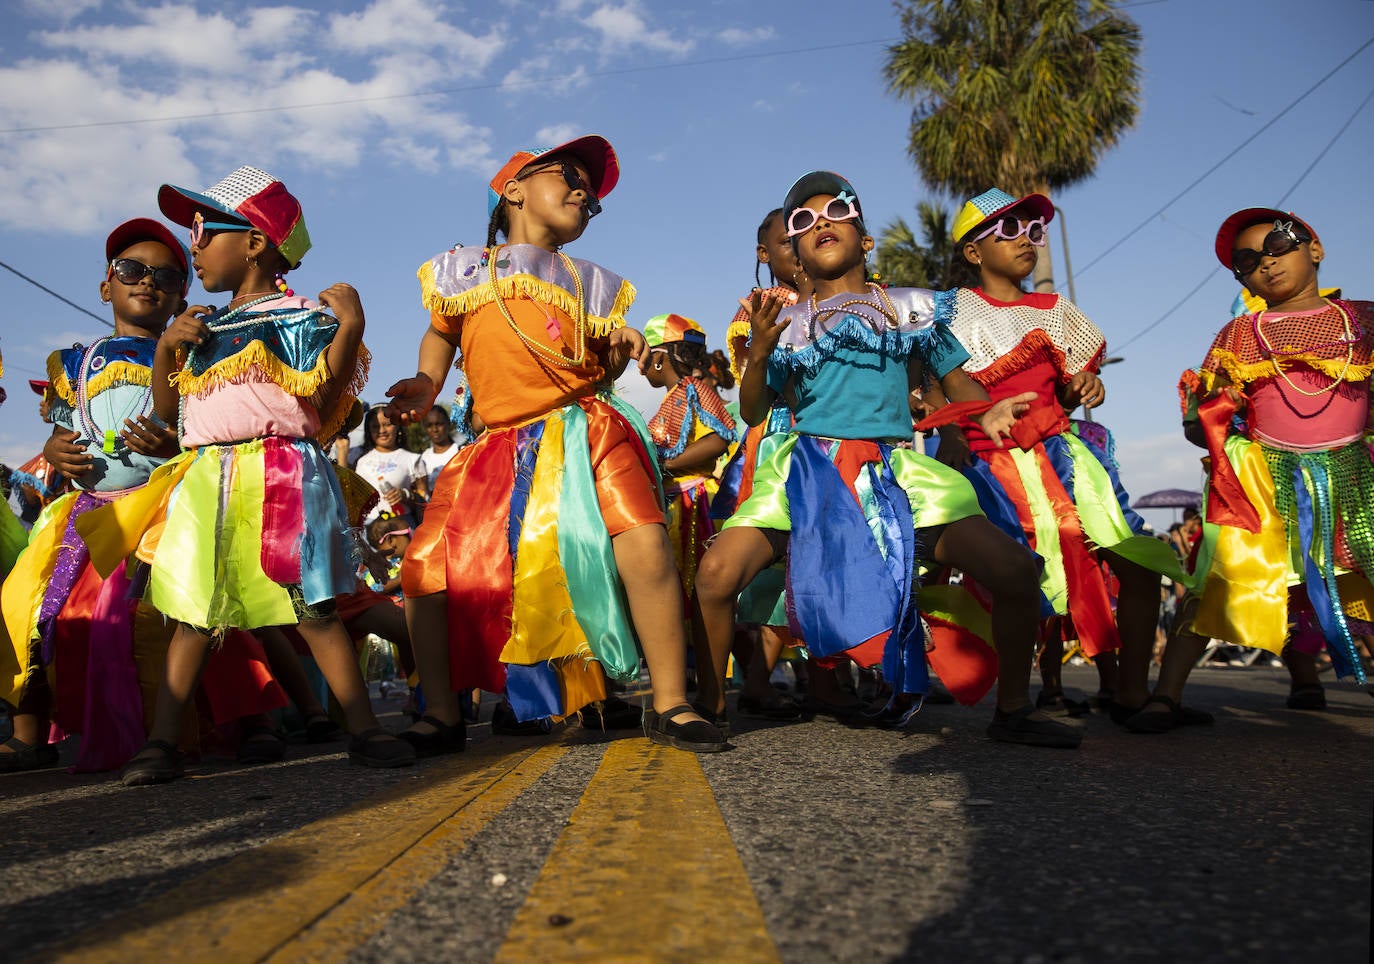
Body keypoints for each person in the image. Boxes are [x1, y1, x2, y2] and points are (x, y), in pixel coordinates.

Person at [693, 171, 1080, 747]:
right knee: (716, 573)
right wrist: (760, 357)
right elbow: (753, 412)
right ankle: (708, 706)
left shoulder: (914, 308)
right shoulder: (784, 325)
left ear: (864, 238)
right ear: (794, 252)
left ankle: (1015, 709)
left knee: (1016, 571)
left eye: (837, 211)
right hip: (809, 473)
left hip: (896, 472)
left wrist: (986, 414)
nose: (821, 222)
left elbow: (959, 384)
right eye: (803, 220)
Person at [386, 134, 725, 753]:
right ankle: (440, 714)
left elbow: (593, 364)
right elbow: (441, 332)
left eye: (591, 198)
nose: (583, 192)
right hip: (495, 445)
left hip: (584, 428)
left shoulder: (588, 281)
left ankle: (671, 701)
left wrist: (617, 346)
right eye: (569, 176)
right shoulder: (463, 269)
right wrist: (427, 381)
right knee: (425, 567)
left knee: (644, 544)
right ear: (513, 189)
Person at [77, 166, 414, 783]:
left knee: (312, 608)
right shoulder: (199, 326)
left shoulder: (298, 318)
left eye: (204, 231)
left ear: (255, 242)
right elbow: (166, 414)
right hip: (206, 478)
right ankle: (162, 742)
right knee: (192, 612)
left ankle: (364, 728)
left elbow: (325, 399)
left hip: (282, 472)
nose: (195, 247)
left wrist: (351, 330)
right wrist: (164, 351)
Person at [931, 188, 1189, 721]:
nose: (1025, 239)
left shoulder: (1058, 312)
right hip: (989, 462)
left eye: (1033, 230)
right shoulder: (949, 311)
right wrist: (953, 430)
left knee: (1136, 565)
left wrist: (1087, 383)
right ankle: (1012, 700)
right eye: (1008, 230)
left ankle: (1132, 694)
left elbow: (1070, 385)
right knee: (1018, 575)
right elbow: (927, 379)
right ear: (973, 252)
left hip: (1064, 459)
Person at [1131, 208, 1374, 731]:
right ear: (1242, 278)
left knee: (1355, 577)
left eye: (1279, 244)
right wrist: (1210, 423)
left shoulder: (1363, 320)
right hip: (1263, 483)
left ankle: (1306, 679)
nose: (1267, 262)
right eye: (1248, 260)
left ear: (1315, 248)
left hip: (1355, 476)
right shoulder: (1240, 334)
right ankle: (1166, 696)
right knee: (1226, 582)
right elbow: (1200, 421)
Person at [0, 219, 191, 773]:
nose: (147, 282)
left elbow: (209, 429)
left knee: (165, 617)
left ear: (182, 294)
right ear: (106, 285)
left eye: (166, 275)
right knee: (30, 607)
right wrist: (54, 448)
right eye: (131, 270)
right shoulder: (71, 364)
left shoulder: (189, 357)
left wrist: (176, 437)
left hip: (162, 507)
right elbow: (66, 428)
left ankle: (215, 724)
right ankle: (28, 734)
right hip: (86, 513)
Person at [642, 312, 738, 613]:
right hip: (677, 503)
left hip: (696, 505)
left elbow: (719, 439)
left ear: (659, 359)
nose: (641, 367)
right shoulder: (674, 395)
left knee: (694, 594)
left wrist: (666, 465)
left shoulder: (695, 391)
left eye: (645, 357)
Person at [355, 404, 428, 523]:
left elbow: (426, 500)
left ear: (398, 426)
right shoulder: (362, 462)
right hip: (371, 531)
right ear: (369, 430)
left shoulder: (413, 459)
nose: (382, 431)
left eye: (387, 425)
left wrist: (406, 495)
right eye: (375, 426)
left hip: (404, 528)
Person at [418, 404, 461, 489]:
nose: (435, 430)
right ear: (424, 428)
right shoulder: (423, 458)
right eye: (429, 425)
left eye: (439, 424)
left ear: (448, 423)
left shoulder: (461, 453)